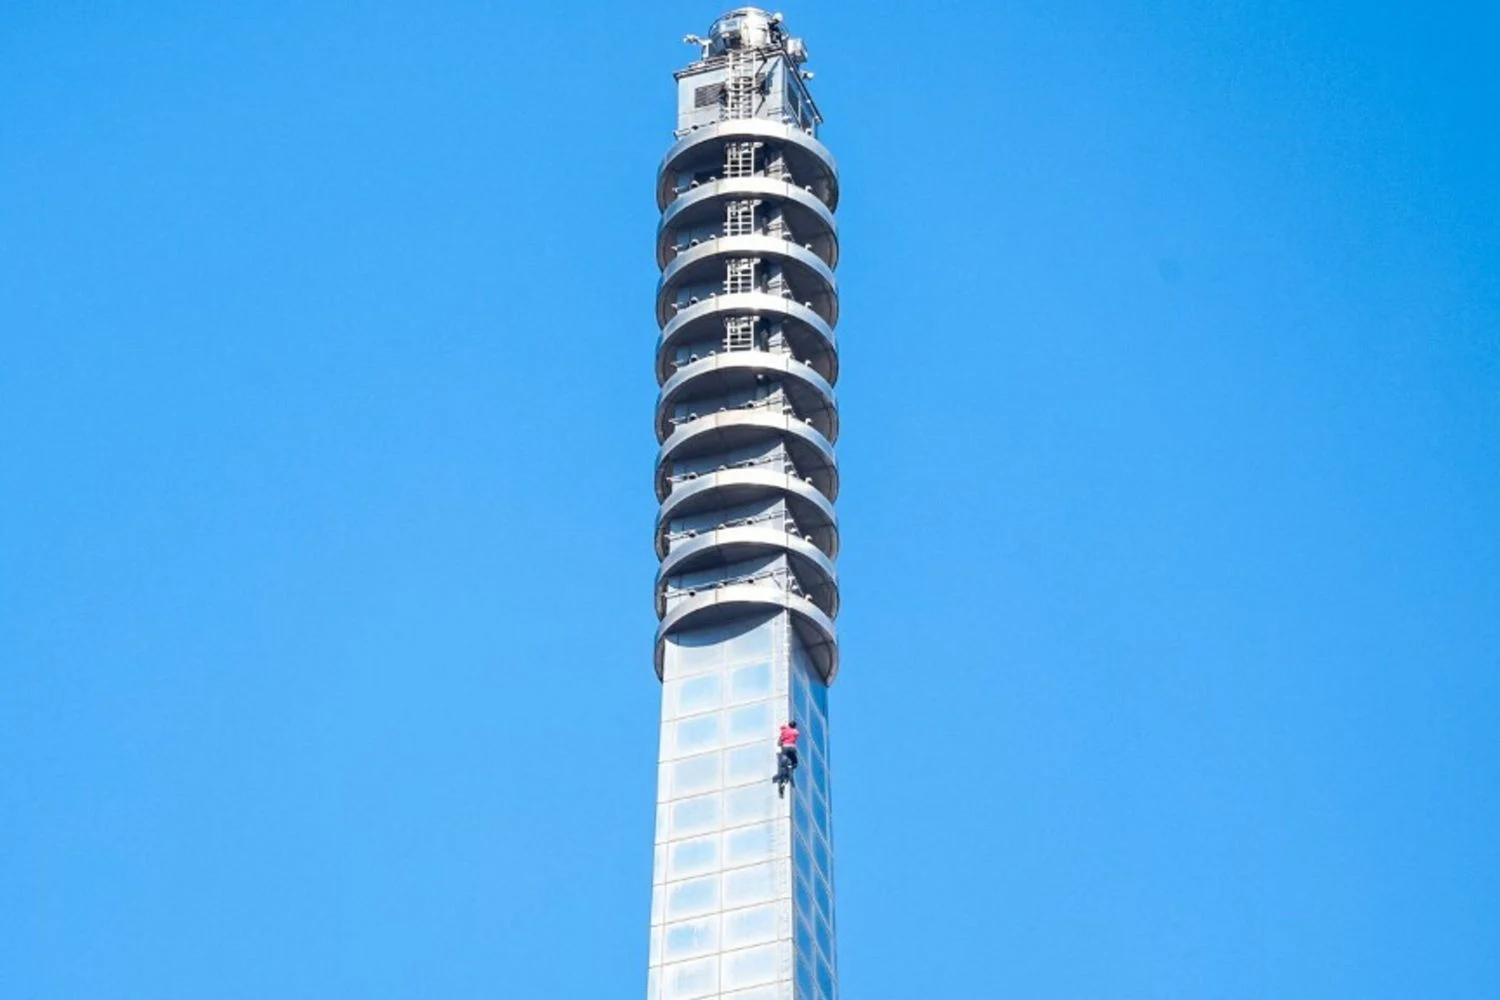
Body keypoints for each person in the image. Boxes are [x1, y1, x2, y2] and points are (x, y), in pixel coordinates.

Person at [773, 720, 799, 797]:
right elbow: (795, 735)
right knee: (794, 762)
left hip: (785, 747)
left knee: (784, 761)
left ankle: (783, 773)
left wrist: (781, 740)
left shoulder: (785, 730)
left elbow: (780, 739)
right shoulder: (796, 732)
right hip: (792, 748)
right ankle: (791, 767)